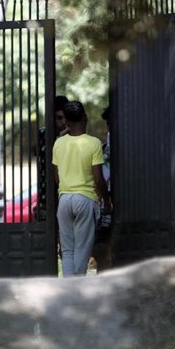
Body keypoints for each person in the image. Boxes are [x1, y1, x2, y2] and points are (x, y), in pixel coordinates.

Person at [53, 101, 109, 277]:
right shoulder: (93, 143)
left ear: (66, 121)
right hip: (84, 199)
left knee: (67, 250)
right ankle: (77, 288)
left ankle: (69, 289)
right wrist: (106, 200)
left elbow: (57, 177)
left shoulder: (58, 144)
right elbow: (98, 178)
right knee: (82, 250)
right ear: (85, 118)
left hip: (64, 200)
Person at [35, 95, 70, 221]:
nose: (63, 122)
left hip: (67, 197)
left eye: (66, 118)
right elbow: (48, 154)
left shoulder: (73, 137)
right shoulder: (42, 134)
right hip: (45, 197)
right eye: (59, 118)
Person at [92, 105, 113, 272]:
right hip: (106, 202)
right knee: (102, 245)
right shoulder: (104, 149)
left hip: (110, 201)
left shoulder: (106, 148)